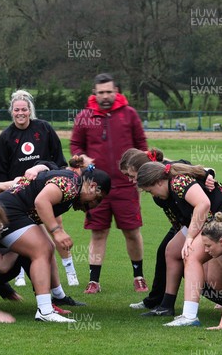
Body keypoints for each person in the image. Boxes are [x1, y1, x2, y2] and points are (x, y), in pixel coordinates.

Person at [135, 161, 222, 326]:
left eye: (151, 191)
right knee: (173, 251)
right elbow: (185, 219)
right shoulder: (167, 192)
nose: (153, 195)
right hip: (212, 219)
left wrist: (190, 238)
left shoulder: (178, 181)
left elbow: (203, 204)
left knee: (191, 254)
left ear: (158, 181)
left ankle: (190, 316)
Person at [0, 157, 111, 322]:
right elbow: (41, 201)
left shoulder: (72, 180)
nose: (94, 205)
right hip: (6, 214)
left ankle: (55, 299)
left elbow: (45, 169)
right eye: (98, 199)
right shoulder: (72, 185)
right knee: (41, 249)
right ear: (92, 187)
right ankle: (45, 311)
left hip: (8, 212)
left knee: (44, 248)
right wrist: (57, 231)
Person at [70, 73, 149, 294]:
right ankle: (94, 280)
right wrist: (81, 158)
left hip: (126, 186)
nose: (105, 96)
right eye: (101, 92)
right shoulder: (84, 116)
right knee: (98, 233)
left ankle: (139, 276)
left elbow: (142, 145)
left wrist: (139, 172)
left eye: (109, 92)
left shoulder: (130, 114)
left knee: (132, 231)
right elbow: (76, 144)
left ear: (116, 91)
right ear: (94, 93)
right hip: (96, 189)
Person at [0, 90, 78, 287]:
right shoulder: (6, 136)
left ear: (30, 110)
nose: (20, 113)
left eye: (24, 109)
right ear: (11, 112)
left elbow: (59, 160)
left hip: (49, 190)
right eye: (16, 110)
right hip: (20, 197)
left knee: (56, 229)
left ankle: (70, 269)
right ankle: (21, 274)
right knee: (26, 236)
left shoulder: (44, 128)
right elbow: (0, 172)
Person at [119, 148, 215, 312]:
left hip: (203, 219)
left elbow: (201, 170)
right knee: (168, 251)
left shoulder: (172, 173)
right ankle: (161, 302)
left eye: (131, 175)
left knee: (198, 263)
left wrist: (210, 175)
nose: (131, 180)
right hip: (184, 221)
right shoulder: (158, 179)